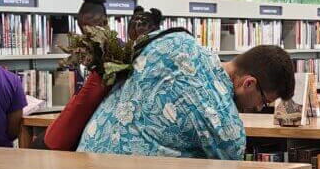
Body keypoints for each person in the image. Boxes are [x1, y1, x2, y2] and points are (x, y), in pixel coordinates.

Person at [77, 34, 293, 159]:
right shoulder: (226, 127)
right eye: (264, 101)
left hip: (83, 161)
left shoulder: (179, 41)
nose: (258, 109)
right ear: (249, 83)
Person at [43, 0, 167, 152]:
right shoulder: (97, 53)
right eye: (83, 26)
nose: (89, 32)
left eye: (94, 26)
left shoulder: (117, 56)